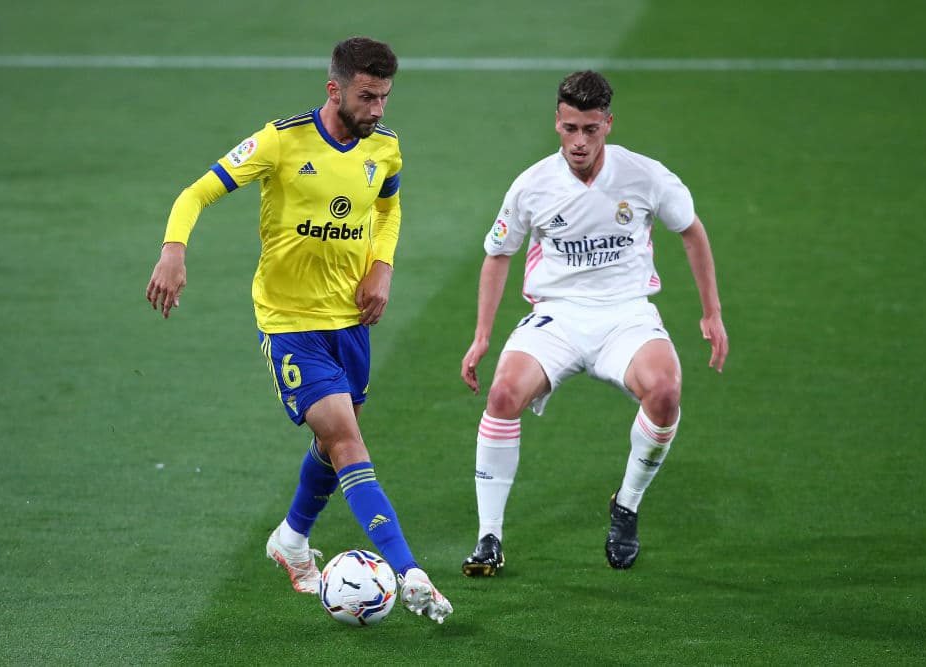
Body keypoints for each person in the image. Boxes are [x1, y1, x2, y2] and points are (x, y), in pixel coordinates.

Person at [145, 37, 452, 623]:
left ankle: (290, 539)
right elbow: (197, 191)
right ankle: (409, 571)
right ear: (334, 89)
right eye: (367, 96)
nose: (378, 110)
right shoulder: (280, 141)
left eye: (385, 97)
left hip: (351, 319)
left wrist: (382, 269)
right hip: (289, 324)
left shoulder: (385, 149)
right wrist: (173, 250)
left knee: (334, 441)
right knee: (346, 442)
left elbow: (388, 209)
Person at [459, 70, 728, 576]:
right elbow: (498, 256)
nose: (579, 142)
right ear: (557, 123)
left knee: (666, 392)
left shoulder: (646, 176)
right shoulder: (532, 185)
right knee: (502, 395)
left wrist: (711, 312)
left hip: (626, 313)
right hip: (555, 316)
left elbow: (691, 232)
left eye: (590, 129)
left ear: (608, 124)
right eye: (569, 129)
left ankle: (625, 506)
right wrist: (481, 338)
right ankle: (488, 537)